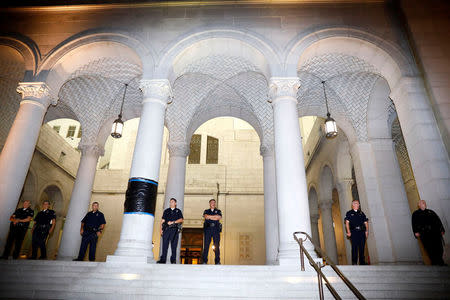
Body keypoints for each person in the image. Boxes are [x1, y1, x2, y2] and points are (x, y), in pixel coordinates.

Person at [412, 200, 446, 265]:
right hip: (425, 234)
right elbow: (414, 223)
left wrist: (442, 229)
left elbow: (438, 220)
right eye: (421, 203)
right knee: (429, 248)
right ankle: (434, 262)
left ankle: (440, 262)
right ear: (418, 205)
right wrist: (415, 232)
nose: (423, 204)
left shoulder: (431, 212)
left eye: (424, 203)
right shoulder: (415, 214)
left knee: (439, 247)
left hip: (435, 233)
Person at [157, 198, 184, 264]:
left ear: (175, 203)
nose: (171, 203)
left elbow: (181, 220)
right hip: (166, 230)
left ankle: (173, 260)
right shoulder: (166, 211)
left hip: (174, 230)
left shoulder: (178, 211)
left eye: (172, 202)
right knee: (164, 245)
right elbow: (162, 221)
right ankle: (163, 259)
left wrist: (173, 222)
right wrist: (160, 229)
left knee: (174, 246)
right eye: (170, 202)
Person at [345, 199, 369, 265]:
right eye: (355, 203)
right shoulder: (349, 213)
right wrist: (348, 231)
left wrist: (366, 231)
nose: (357, 204)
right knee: (354, 247)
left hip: (362, 232)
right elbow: (347, 223)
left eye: (358, 203)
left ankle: (362, 262)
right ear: (352, 205)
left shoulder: (361, 213)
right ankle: (354, 262)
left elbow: (366, 222)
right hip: (354, 232)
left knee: (362, 247)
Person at [202, 199, 222, 265]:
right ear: (209, 204)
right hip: (208, 230)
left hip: (216, 230)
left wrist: (210, 217)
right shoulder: (206, 211)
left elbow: (218, 217)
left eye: (214, 202)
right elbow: (206, 216)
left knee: (216, 245)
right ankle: (204, 261)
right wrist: (214, 217)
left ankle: (217, 261)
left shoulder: (218, 211)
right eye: (211, 202)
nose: (213, 203)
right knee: (206, 245)